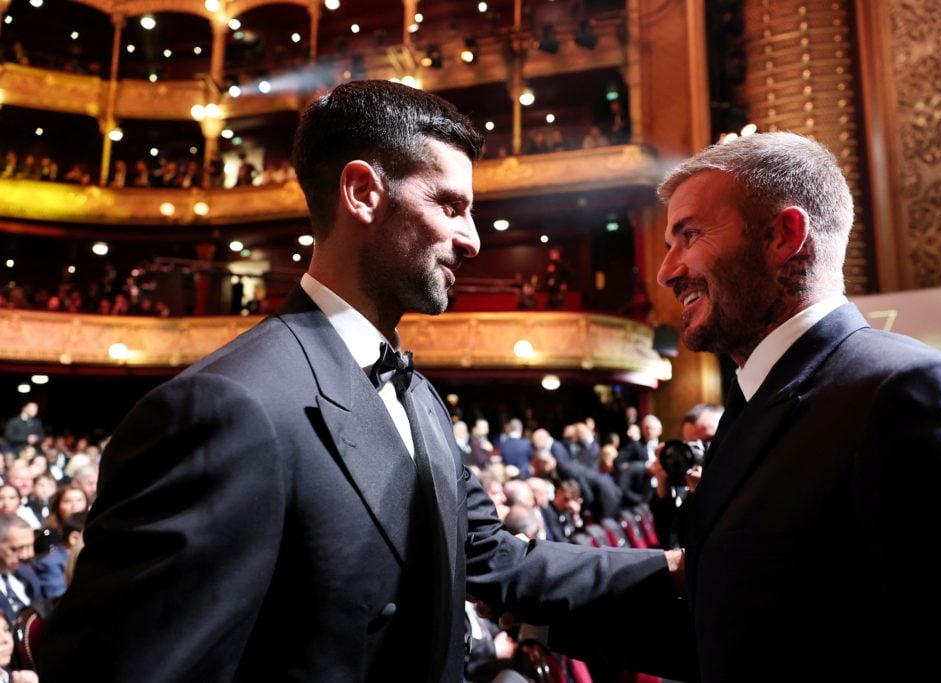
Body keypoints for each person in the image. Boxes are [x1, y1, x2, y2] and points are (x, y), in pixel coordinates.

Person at [38, 80, 681, 682]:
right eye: (450, 205)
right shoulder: (224, 407)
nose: (473, 239)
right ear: (363, 193)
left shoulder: (418, 395)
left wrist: (674, 569)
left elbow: (490, 555)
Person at [576, 131, 941, 680]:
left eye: (689, 235)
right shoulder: (756, 402)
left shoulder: (916, 399)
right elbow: (751, 634)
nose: (667, 270)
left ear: (784, 236)